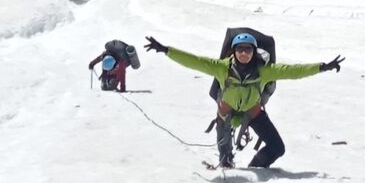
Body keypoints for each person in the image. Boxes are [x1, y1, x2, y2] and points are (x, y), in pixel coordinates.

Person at [145, 29, 342, 169]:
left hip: (253, 112)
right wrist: (166, 50)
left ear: (254, 52)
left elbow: (293, 71)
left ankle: (255, 168)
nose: (244, 53)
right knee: (225, 161)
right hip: (226, 112)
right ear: (233, 51)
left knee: (277, 148)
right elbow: (195, 61)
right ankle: (226, 162)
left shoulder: (265, 71)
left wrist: (322, 66)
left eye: (248, 50)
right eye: (240, 49)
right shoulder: (221, 67)